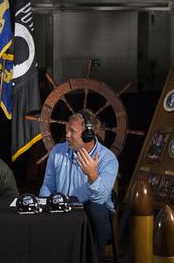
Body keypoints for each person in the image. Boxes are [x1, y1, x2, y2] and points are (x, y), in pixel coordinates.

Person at [39, 110, 119, 260]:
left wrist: (93, 176)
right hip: (62, 207)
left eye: (72, 131)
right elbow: (47, 186)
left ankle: (93, 256)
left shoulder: (108, 159)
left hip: (91, 210)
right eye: (66, 131)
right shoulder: (57, 151)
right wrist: (47, 206)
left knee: (97, 210)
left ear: (88, 135)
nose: (67, 135)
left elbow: (101, 199)